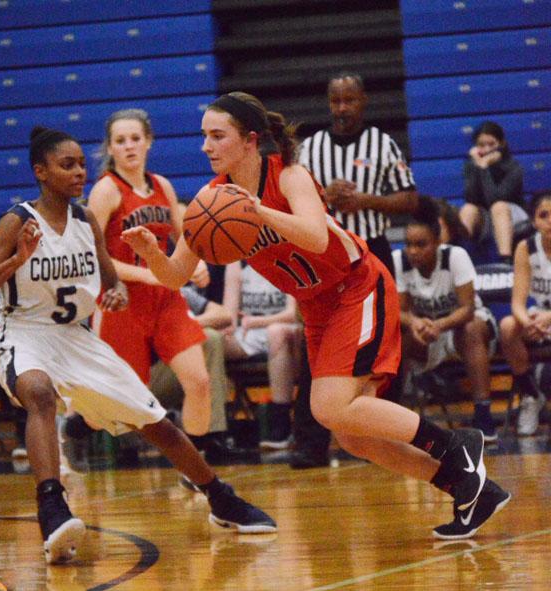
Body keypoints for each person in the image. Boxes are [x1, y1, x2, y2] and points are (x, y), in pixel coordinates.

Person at [122, 91, 511, 540]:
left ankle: (455, 444)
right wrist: (152, 252)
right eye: (203, 136)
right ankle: (469, 487)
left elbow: (315, 236)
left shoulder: (288, 175)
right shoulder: (209, 204)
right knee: (351, 434)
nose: (206, 146)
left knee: (328, 406)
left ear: (249, 141)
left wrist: (257, 211)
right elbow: (174, 277)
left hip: (357, 287)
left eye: (216, 136)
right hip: (317, 307)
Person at [0, 126, 276, 564]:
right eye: (67, 165)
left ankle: (220, 497)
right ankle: (51, 504)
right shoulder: (17, 220)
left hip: (76, 338)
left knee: (155, 422)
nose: (78, 172)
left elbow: (108, 275)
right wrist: (17, 260)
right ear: (41, 172)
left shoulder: (85, 220)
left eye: (81, 164)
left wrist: (116, 291)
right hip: (24, 332)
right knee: (39, 393)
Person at [295, 71, 419, 464]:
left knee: (383, 347)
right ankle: (310, 444)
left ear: (363, 100)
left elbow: (410, 199)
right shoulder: (311, 148)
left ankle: (379, 437)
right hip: (326, 255)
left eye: (350, 100)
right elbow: (295, 202)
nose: (342, 108)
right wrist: (324, 199)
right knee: (314, 345)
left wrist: (366, 201)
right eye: (336, 101)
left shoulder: (382, 144)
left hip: (374, 253)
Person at [87, 109, 212, 442]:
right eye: (120, 141)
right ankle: (75, 425)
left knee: (199, 382)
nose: (129, 146)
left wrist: (194, 262)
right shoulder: (106, 191)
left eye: (135, 139)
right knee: (123, 405)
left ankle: (198, 466)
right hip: (121, 301)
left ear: (149, 142)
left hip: (164, 298)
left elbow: (182, 236)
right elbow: (93, 256)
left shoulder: (162, 186)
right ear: (110, 148)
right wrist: (150, 275)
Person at [393, 197, 499, 442]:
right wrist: (415, 323)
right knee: (395, 335)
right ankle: (396, 415)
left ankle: (483, 414)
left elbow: (468, 309)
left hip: (465, 328)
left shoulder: (455, 256)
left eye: (421, 244)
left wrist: (438, 325)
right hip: (427, 332)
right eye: (408, 244)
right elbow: (400, 311)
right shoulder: (400, 261)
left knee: (470, 328)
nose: (413, 251)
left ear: (438, 241)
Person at [150, 284, 258, 464]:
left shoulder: (174, 289)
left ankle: (212, 438)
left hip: (179, 373)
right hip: (143, 380)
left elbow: (223, 315)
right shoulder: (134, 292)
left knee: (208, 337)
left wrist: (186, 324)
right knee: (206, 339)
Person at [222, 261, 302, 449]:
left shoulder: (287, 258)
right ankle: (216, 428)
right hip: (249, 332)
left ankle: (280, 426)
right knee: (212, 341)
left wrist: (259, 321)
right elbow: (229, 315)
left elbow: (293, 314)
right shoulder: (236, 262)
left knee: (276, 333)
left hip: (286, 330)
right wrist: (227, 327)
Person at [500, 191, 551, 436]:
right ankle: (531, 395)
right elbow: (518, 302)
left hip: (547, 317)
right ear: (534, 222)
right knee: (509, 326)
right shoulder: (525, 248)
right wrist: (527, 322)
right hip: (539, 316)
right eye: (544, 215)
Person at [459, 121, 527, 264]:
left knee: (498, 207)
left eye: (491, 144)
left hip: (512, 215)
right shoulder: (471, 166)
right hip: (486, 216)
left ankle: (505, 260)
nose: (487, 149)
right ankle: (461, 261)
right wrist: (477, 168)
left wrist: (484, 168)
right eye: (481, 145)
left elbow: (495, 199)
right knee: (468, 209)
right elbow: (470, 198)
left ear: (501, 144)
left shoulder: (513, 167)